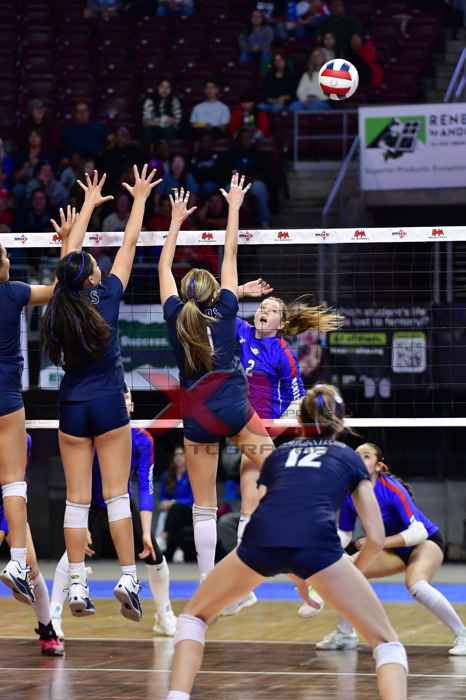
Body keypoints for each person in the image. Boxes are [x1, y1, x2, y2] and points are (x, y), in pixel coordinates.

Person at [166, 385, 408, 700]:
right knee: (387, 643)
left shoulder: (278, 455)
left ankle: (176, 695)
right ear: (340, 422)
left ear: (299, 421)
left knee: (193, 617)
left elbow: (279, 521)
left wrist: (303, 581)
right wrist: (349, 576)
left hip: (261, 539)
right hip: (317, 545)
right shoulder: (349, 458)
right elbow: (375, 538)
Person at [41, 166, 160, 621]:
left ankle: (77, 583)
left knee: (76, 501)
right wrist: (140, 199)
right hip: (109, 403)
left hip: (72, 405)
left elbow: (69, 259)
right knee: (115, 495)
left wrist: (88, 205)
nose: (97, 262)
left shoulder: (59, 302)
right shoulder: (106, 294)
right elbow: (129, 244)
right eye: (93, 262)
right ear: (92, 276)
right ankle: (128, 578)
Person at [158, 174, 275, 581]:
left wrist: (174, 221)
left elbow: (163, 265)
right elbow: (230, 250)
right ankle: (271, 551)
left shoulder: (175, 314)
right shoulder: (226, 307)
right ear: (214, 292)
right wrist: (235, 206)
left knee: (203, 506)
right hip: (233, 407)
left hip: (198, 416)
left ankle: (207, 585)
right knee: (277, 468)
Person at [225, 289, 342, 613]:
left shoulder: (282, 354)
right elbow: (217, 304)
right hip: (243, 426)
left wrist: (277, 428)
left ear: (280, 323)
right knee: (249, 505)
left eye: (272, 309)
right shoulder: (240, 330)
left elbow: (297, 399)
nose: (264, 310)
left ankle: (307, 579)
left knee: (277, 506)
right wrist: (239, 291)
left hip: (263, 431)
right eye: (261, 306)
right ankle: (246, 588)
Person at [314, 442, 466, 656]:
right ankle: (345, 634)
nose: (359, 459)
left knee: (416, 585)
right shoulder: (350, 494)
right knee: (349, 574)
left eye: (366, 456)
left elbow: (419, 531)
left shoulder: (392, 489)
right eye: (356, 455)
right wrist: (325, 549)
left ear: (378, 466)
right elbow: (345, 533)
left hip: (424, 542)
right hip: (391, 548)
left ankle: (462, 634)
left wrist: (377, 543)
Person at [50, 389, 177, 638]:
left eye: (127, 398)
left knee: (153, 553)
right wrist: (81, 523)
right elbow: (77, 482)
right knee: (73, 553)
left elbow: (146, 487)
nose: (123, 402)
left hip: (122, 504)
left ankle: (164, 615)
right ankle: (53, 618)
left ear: (132, 406)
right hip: (91, 505)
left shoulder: (142, 440)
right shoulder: (92, 436)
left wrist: (147, 531)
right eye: (118, 397)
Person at [0, 205, 77, 606]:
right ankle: (16, 562)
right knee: (14, 482)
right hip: (7, 398)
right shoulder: (13, 292)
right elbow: (60, 289)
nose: (9, 258)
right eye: (5, 255)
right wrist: (66, 242)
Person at [0, 434, 64, 656]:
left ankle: (47, 631)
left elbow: (16, 489)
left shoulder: (22, 439)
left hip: (9, 509)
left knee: (32, 568)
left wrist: (5, 525)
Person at [159, 446, 195, 563]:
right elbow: (163, 495)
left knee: (176, 509)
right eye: (176, 455)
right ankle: (178, 550)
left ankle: (163, 536)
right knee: (171, 513)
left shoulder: (192, 474)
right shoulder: (167, 475)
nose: (179, 457)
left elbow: (192, 498)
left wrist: (174, 502)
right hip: (172, 513)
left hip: (188, 511)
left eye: (181, 454)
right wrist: (164, 503)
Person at [142, 80, 183, 145]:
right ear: (158, 88)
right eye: (162, 87)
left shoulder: (175, 101)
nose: (164, 90)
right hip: (153, 128)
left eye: (168, 87)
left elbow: (177, 120)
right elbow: (145, 121)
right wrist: (162, 122)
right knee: (147, 130)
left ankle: (168, 149)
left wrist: (170, 121)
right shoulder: (150, 100)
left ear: (171, 89)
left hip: (169, 129)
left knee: (170, 130)